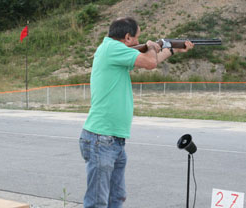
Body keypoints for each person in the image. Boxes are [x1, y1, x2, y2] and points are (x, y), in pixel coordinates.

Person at [79, 17, 194, 208]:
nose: (140, 40)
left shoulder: (113, 51)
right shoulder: (112, 49)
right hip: (102, 138)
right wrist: (150, 46)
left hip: (112, 139)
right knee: (97, 202)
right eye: (138, 37)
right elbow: (150, 63)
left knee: (116, 198)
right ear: (127, 37)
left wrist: (172, 49)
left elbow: (150, 60)